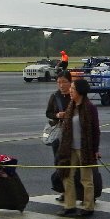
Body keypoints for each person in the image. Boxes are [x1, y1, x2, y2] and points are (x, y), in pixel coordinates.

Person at [55, 79, 100, 217]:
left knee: (86, 179)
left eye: (73, 89)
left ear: (80, 91)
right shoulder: (71, 106)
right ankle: (70, 205)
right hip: (70, 147)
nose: (70, 91)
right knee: (66, 175)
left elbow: (95, 130)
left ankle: (88, 206)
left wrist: (95, 149)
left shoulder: (89, 108)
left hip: (84, 148)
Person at [46, 71, 72, 201]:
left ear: (70, 82)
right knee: (59, 163)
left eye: (64, 82)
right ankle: (63, 190)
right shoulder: (55, 96)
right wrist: (57, 115)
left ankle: (79, 191)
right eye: (59, 82)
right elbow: (48, 113)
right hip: (59, 135)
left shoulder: (74, 96)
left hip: (73, 135)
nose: (61, 85)